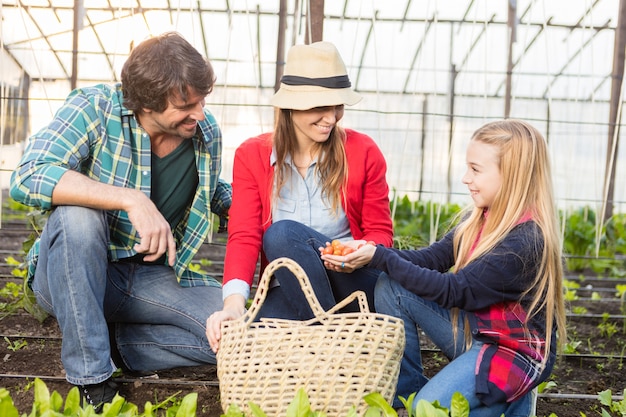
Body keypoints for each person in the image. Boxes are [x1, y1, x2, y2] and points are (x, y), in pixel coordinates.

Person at [9, 31, 231, 412]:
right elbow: (29, 174)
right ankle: (93, 379)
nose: (199, 112)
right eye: (186, 105)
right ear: (145, 103)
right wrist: (131, 199)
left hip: (145, 277)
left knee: (236, 333)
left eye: (202, 100)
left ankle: (117, 344)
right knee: (77, 217)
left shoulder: (204, 133)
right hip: (69, 270)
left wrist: (251, 208)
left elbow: (209, 189)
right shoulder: (94, 109)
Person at [321, 119, 567, 417]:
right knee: (392, 287)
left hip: (511, 352)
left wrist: (380, 257)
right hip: (478, 331)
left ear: (512, 176)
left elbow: (454, 291)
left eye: (475, 169)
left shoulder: (525, 241)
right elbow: (431, 260)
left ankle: (512, 394)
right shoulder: (480, 220)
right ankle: (407, 398)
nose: (465, 178)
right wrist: (373, 251)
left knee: (431, 410)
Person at [206, 41, 393, 351]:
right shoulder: (252, 156)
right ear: (290, 106)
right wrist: (234, 305)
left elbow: (381, 233)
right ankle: (340, 346)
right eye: (320, 106)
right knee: (245, 343)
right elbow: (244, 237)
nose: (332, 118)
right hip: (289, 290)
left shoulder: (363, 152)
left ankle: (324, 347)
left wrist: (363, 250)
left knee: (282, 234)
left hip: (354, 287)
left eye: (337, 106)